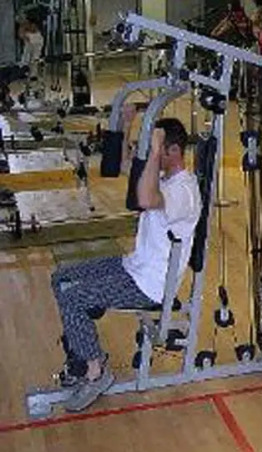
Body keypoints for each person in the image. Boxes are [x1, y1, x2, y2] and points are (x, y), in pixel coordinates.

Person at [50, 105, 202, 412]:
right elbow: (123, 166)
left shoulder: (184, 191)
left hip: (148, 285)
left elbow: (144, 198)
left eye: (158, 148)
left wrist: (153, 151)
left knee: (74, 299)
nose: (151, 154)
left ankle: (96, 372)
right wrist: (126, 124)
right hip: (132, 266)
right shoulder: (163, 177)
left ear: (173, 151)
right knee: (61, 277)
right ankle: (81, 358)